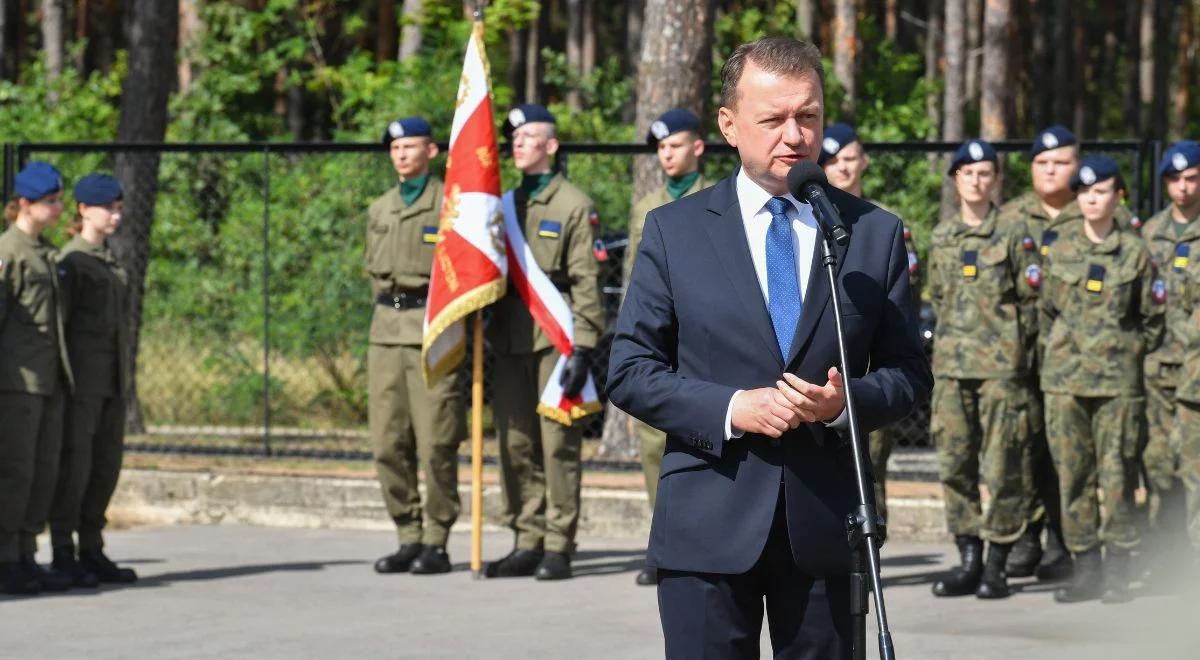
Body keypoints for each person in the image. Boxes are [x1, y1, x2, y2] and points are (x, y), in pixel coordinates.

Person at [607, 37, 931, 658]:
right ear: (729, 125)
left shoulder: (870, 233)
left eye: (808, 117)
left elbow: (909, 375)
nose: (794, 136)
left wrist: (842, 403)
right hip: (708, 523)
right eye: (773, 119)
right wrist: (732, 408)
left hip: (826, 525)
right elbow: (630, 369)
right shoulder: (674, 231)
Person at [484, 104, 604, 581]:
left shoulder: (573, 203)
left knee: (557, 444)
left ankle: (558, 543)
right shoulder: (503, 205)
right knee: (514, 442)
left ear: (551, 146)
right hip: (510, 334)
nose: (517, 143)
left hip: (557, 335)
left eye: (527, 136)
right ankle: (526, 538)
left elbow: (586, 281)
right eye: (513, 137)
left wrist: (586, 347)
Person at [1039, 155, 1163, 604]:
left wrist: (1122, 353)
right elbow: (1047, 311)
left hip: (1116, 385)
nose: (1093, 199)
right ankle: (1085, 566)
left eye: (1102, 191)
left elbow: (1152, 318)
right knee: (1073, 475)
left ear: (1118, 196)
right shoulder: (1059, 246)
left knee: (1117, 476)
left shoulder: (1134, 251)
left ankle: (1118, 567)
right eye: (1086, 192)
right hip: (1065, 382)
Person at [926, 140, 1040, 600]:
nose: (977, 180)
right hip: (953, 369)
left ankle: (997, 563)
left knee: (1004, 467)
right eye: (968, 172)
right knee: (955, 463)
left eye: (985, 173)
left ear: (996, 180)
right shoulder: (942, 237)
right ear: (955, 180)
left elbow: (1031, 302)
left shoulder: (1014, 233)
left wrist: (1014, 354)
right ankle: (968, 557)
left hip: (1000, 371)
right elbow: (937, 298)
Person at [365, 117, 466, 576]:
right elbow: (371, 271)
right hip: (385, 330)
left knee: (435, 442)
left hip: (433, 327)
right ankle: (406, 533)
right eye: (395, 148)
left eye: (410, 146)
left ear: (432, 151)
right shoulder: (380, 208)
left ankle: (436, 538)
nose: (401, 154)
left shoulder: (450, 203)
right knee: (387, 442)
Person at [819, 122, 922, 524]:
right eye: (834, 161)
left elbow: (905, 295)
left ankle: (872, 540)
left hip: (871, 370)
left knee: (873, 464)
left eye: (849, 159)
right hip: (828, 370)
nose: (843, 168)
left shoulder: (883, 224)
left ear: (864, 161)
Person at [624, 107, 710, 587]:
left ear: (698, 146)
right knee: (653, 442)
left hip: (702, 336)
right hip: (661, 335)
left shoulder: (717, 199)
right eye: (660, 147)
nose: (666, 155)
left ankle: (705, 537)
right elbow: (636, 278)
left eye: (673, 145)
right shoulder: (647, 205)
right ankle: (666, 541)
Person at [995, 125, 1082, 581]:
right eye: (1043, 163)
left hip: (1074, 361)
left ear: (1077, 166)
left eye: (1061, 163)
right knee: (1020, 448)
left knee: (1064, 453)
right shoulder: (1010, 217)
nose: (1051, 171)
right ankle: (1026, 537)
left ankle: (1062, 541)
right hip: (1019, 356)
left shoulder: (1092, 215)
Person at [46, 174, 136, 586]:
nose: (115, 215)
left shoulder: (111, 262)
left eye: (118, 208)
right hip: (81, 383)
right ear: (83, 210)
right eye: (108, 208)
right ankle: (64, 549)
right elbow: (60, 327)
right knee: (75, 465)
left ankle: (92, 546)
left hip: (112, 382)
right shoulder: (71, 262)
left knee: (104, 466)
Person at [0, 162, 74, 595]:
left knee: (42, 472)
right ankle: (6, 555)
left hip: (48, 380)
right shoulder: (9, 252)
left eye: (60, 200)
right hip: (17, 382)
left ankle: (27, 552)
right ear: (24, 204)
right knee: (15, 470)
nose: (59, 208)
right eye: (52, 202)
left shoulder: (45, 253)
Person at [1139, 140, 1200, 572]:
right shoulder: (1148, 235)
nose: (1184, 188)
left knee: (1195, 468)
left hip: (1197, 373)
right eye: (1175, 180)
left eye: (1192, 178)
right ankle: (1164, 555)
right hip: (1157, 369)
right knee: (1158, 466)